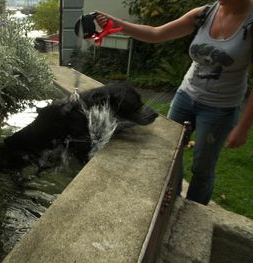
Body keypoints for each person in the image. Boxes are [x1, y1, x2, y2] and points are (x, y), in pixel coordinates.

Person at [95, 0, 253, 205]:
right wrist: (116, 22)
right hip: (185, 96)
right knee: (169, 155)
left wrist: (243, 127)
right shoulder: (205, 13)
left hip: (220, 108)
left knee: (202, 169)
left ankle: (193, 212)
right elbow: (155, 34)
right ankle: (173, 202)